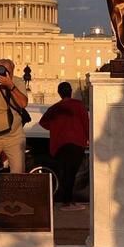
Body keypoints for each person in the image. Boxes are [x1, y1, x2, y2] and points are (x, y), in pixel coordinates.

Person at [39, 81, 89, 210]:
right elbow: (86, 122)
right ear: (71, 91)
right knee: (72, 173)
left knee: (65, 171)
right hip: (77, 142)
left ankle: (66, 200)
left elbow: (43, 122)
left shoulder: (55, 108)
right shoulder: (79, 105)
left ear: (59, 93)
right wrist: (89, 138)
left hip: (60, 143)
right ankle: (68, 201)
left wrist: (55, 127)